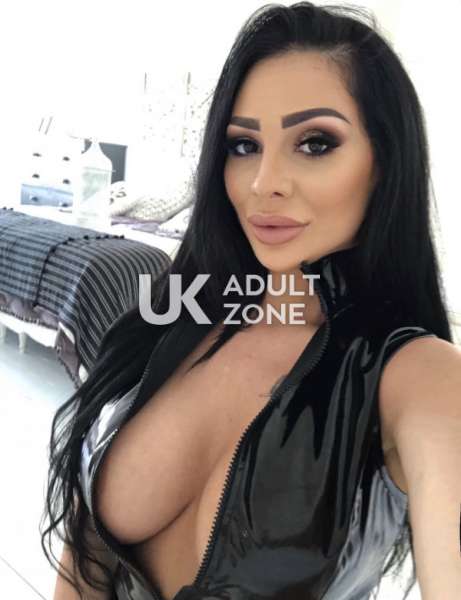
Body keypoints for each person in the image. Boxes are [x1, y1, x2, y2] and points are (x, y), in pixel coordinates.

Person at [41, 2, 461, 600]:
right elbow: (84, 561)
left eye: (314, 143)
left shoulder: (421, 378)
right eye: (243, 146)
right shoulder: (169, 318)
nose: (264, 183)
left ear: (385, 163)